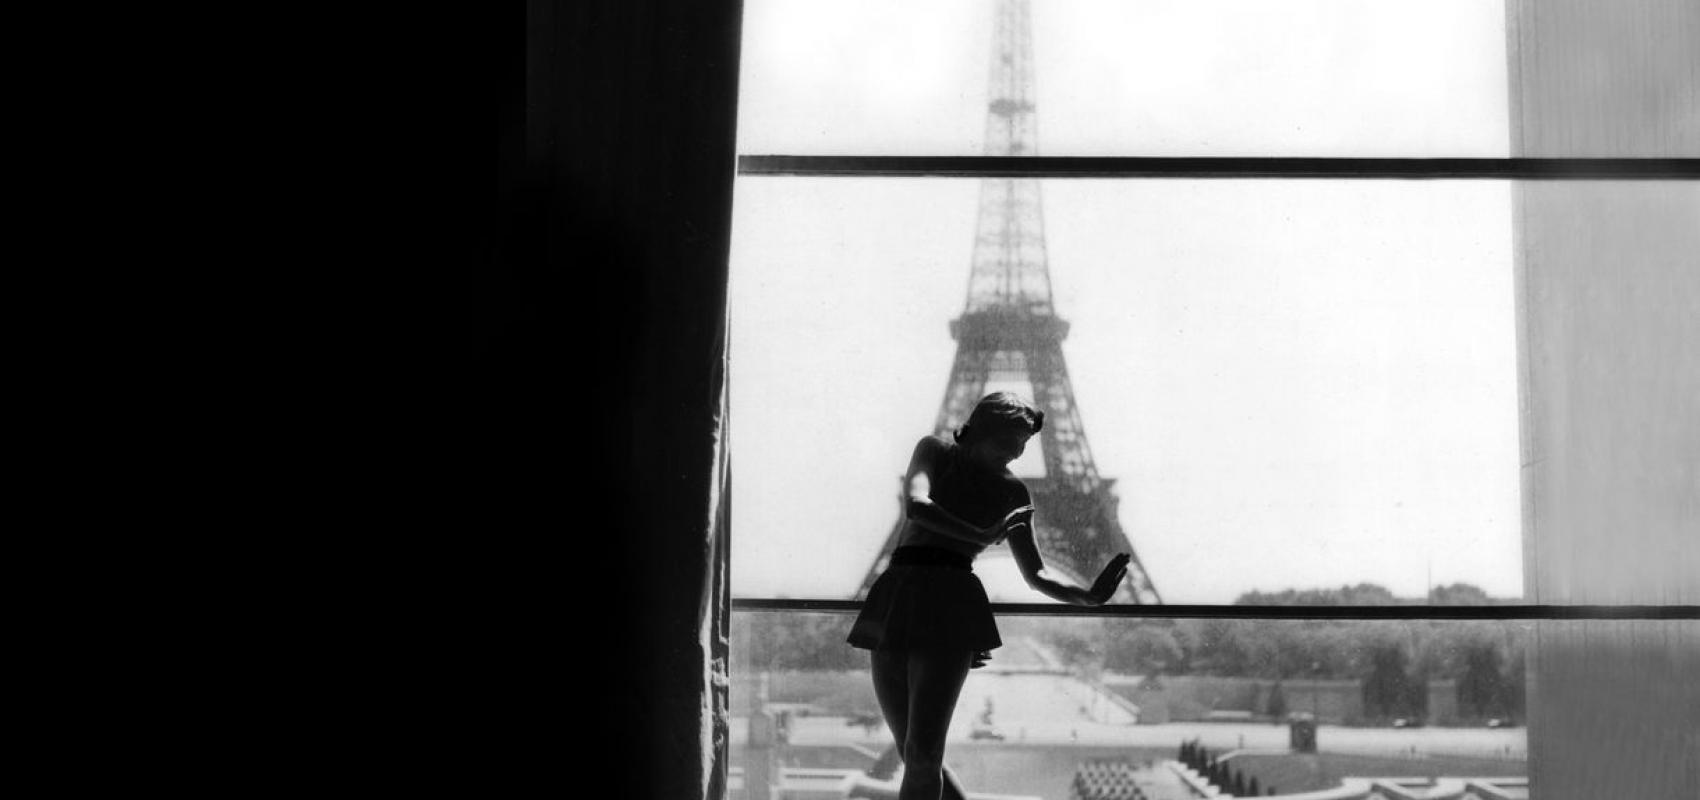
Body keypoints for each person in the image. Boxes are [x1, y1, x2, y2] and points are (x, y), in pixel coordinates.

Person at [847, 392, 1132, 800]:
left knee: (923, 753)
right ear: (980, 430)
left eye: (1022, 445)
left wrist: (1087, 597)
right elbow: (915, 504)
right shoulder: (932, 450)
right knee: (915, 754)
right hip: (901, 592)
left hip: (942, 599)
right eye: (1008, 443)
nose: (1015, 454)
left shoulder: (1013, 493)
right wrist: (980, 535)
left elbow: (1036, 574)